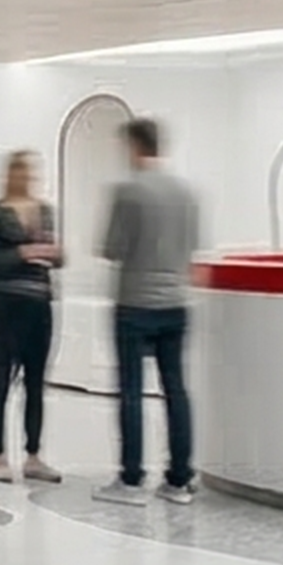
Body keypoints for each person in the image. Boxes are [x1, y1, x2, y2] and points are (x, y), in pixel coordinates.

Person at [93, 117, 200, 506]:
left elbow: (112, 247)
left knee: (132, 392)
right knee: (176, 391)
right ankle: (179, 479)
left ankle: (132, 480)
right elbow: (193, 246)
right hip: (176, 302)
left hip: (134, 303)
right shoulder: (186, 192)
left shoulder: (128, 191)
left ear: (135, 146)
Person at [0, 150, 63, 484]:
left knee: (36, 383)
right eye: (21, 172)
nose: (27, 178)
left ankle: (33, 456)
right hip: (6, 304)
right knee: (2, 380)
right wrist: (22, 253)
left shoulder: (45, 212)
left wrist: (55, 254)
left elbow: (57, 257)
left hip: (40, 303)